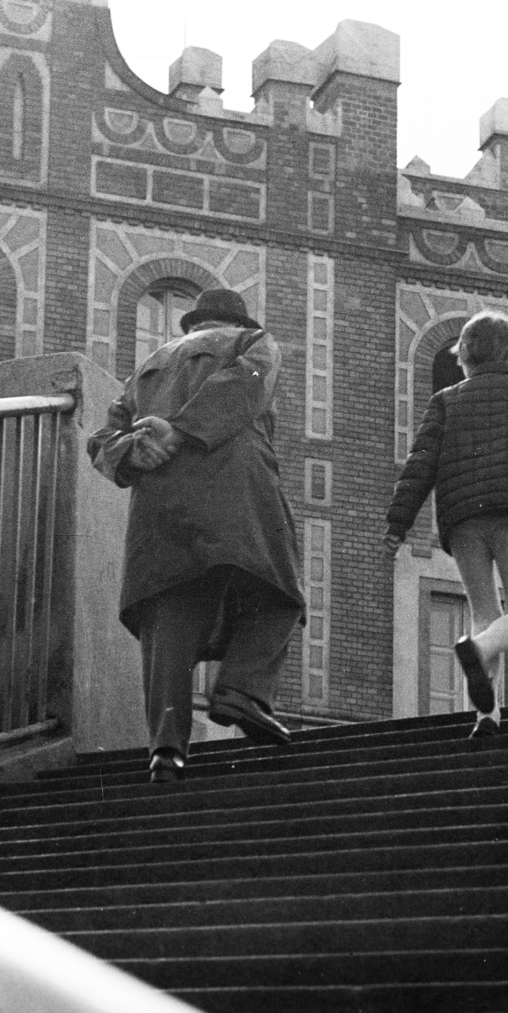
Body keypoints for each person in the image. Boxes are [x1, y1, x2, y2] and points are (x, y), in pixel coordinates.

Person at [88, 288, 305, 783]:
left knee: (170, 617)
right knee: (279, 592)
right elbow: (245, 387)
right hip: (234, 486)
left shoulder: (146, 367)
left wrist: (131, 452)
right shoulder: (254, 340)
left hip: (159, 504)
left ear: (192, 325)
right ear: (233, 320)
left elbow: (101, 439)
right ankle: (241, 690)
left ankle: (166, 749)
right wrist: (181, 432)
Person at [382, 311, 508, 738]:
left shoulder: (446, 401)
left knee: (484, 614)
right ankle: (477, 651)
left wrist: (397, 524)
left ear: (466, 357)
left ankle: (485, 717)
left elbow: (419, 465)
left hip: (462, 520)